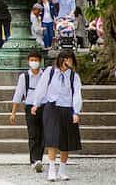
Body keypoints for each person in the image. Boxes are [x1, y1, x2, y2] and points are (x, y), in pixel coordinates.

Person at [30, 49, 83, 182]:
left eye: (71, 59)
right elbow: (41, 87)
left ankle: (62, 170)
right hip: (51, 107)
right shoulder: (50, 71)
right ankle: (52, 169)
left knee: (66, 140)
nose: (69, 61)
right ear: (62, 60)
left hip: (67, 108)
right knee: (52, 139)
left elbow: (77, 94)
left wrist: (76, 111)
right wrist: (36, 104)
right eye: (67, 59)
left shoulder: (74, 76)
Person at [11, 51, 46, 173]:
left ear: (40, 61)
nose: (34, 62)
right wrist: (13, 112)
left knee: (43, 134)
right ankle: (33, 160)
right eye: (32, 60)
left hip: (44, 106)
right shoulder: (24, 77)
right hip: (29, 106)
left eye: (36, 60)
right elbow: (18, 94)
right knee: (33, 134)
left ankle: (39, 159)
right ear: (28, 61)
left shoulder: (45, 75)